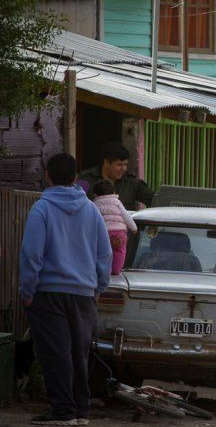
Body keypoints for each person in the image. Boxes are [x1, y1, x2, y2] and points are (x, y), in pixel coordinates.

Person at [19, 153, 112, 426]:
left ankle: (63, 411)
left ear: (47, 175)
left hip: (48, 292)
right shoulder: (91, 210)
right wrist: (99, 287)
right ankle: (81, 410)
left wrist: (28, 290)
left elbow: (31, 254)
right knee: (78, 353)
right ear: (75, 178)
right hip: (84, 294)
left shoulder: (42, 208)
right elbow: (104, 254)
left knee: (55, 353)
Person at [78, 142, 155, 211]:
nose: (123, 169)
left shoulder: (132, 183)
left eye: (125, 164)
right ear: (106, 162)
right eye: (119, 165)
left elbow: (154, 200)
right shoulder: (86, 179)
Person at [93, 180, 137, 275]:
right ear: (113, 192)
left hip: (103, 233)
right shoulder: (117, 202)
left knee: (102, 252)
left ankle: (104, 270)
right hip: (119, 232)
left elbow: (93, 219)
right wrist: (134, 228)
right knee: (120, 251)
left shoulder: (95, 204)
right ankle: (116, 270)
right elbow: (126, 216)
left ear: (95, 194)